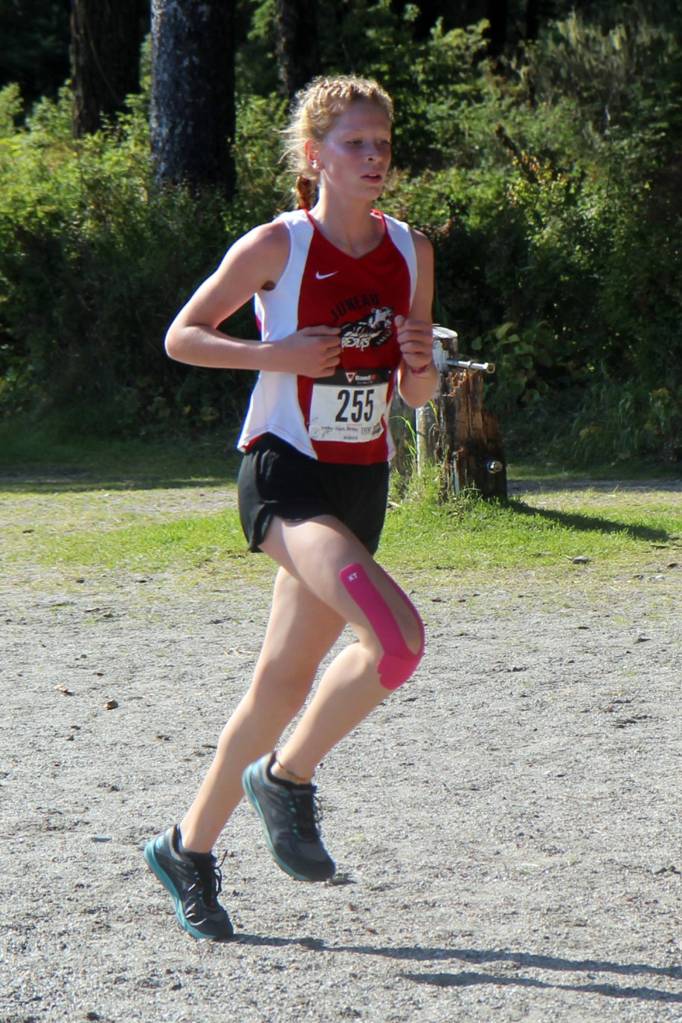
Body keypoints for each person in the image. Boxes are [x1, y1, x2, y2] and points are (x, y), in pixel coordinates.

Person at [143, 75, 437, 941]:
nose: (374, 156)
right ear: (316, 156)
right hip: (284, 474)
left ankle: (184, 849)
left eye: (382, 143)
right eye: (356, 143)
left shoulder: (413, 251)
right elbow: (183, 335)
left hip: (360, 481)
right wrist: (279, 352)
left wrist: (418, 361)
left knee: (276, 685)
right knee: (397, 638)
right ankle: (288, 778)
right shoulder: (278, 244)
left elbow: (415, 394)